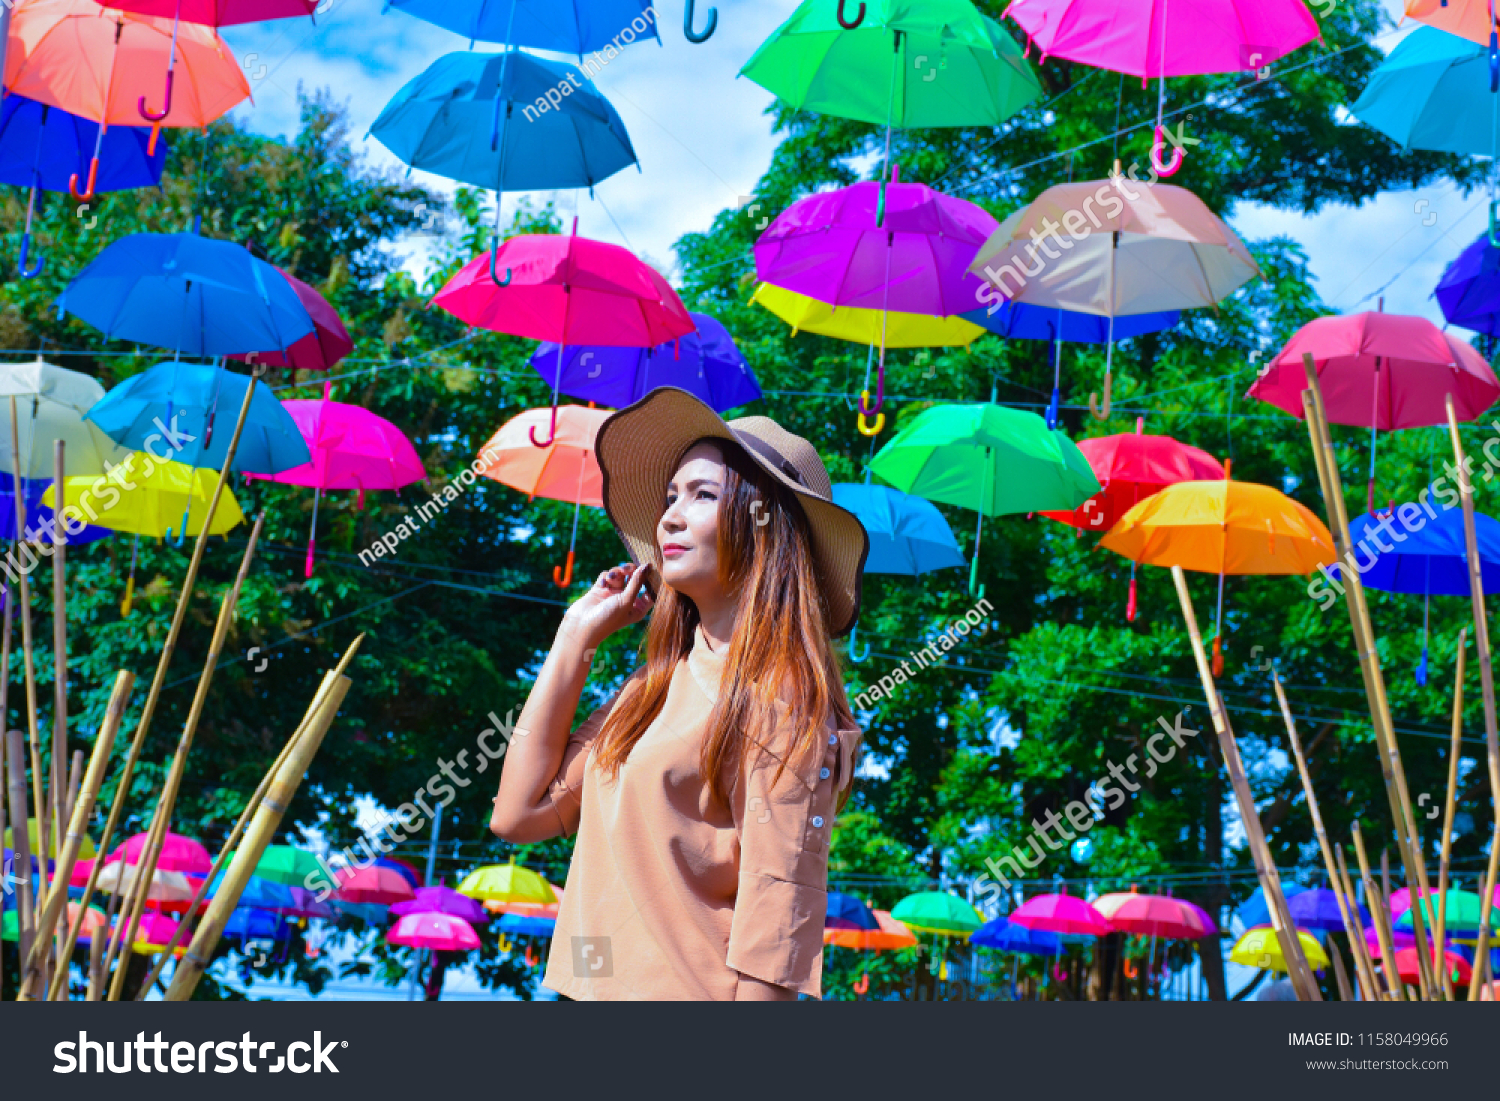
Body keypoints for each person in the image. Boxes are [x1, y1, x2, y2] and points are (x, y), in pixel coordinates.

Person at [490, 388, 869, 1001]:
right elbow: (519, 814)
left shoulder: (783, 701)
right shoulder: (652, 686)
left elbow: (775, 935)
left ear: (763, 524)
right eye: (670, 497)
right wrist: (575, 637)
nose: (669, 516)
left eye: (702, 495)